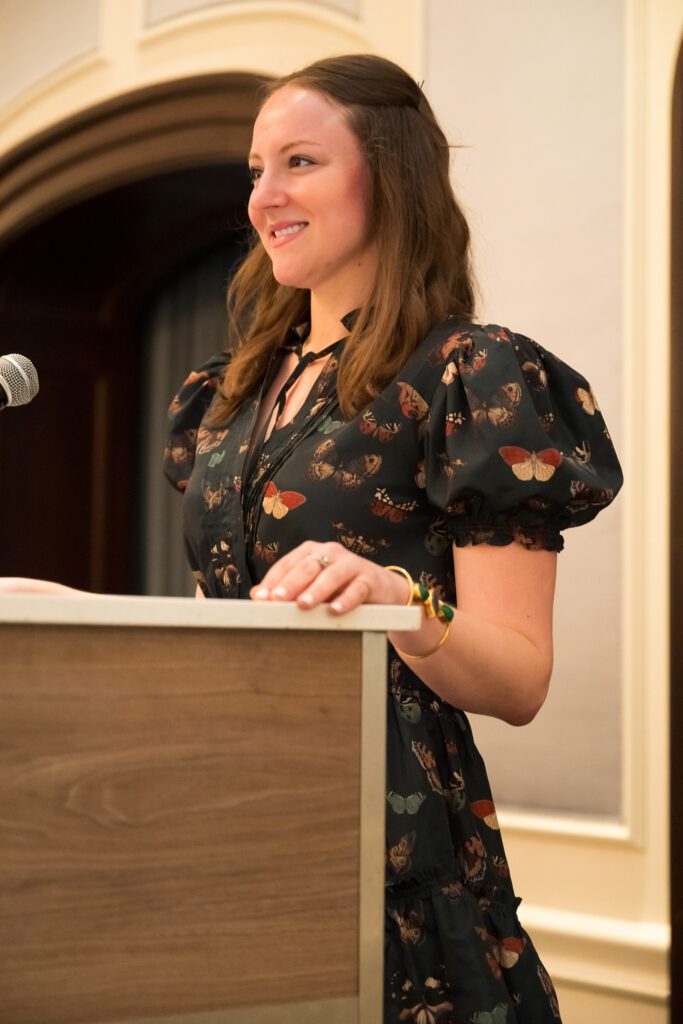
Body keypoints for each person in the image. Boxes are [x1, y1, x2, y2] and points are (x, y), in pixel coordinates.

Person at [163, 53, 622, 1021]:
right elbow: (226, 628)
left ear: (390, 173)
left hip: (389, 841)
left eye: (298, 162)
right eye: (255, 169)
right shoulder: (227, 392)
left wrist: (399, 605)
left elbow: (517, 680)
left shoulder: (472, 377)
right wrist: (73, 616)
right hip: (222, 814)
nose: (263, 196)